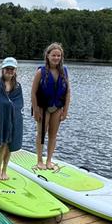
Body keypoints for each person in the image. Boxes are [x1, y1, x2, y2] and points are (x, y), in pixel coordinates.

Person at [31, 42, 70, 170]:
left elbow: (68, 92)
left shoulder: (64, 71)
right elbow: (33, 92)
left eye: (59, 56)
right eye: (54, 55)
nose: (56, 58)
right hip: (43, 107)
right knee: (41, 134)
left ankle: (49, 161)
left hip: (57, 107)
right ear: (47, 56)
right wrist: (35, 109)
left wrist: (65, 111)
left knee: (53, 135)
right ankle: (39, 160)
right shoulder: (40, 72)